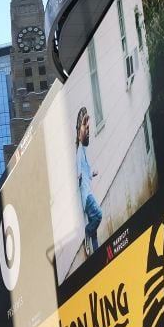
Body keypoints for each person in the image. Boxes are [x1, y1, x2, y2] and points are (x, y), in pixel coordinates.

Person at [76, 106, 103, 254]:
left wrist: (92, 173)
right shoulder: (80, 151)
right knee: (99, 215)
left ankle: (96, 252)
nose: (87, 132)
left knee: (95, 230)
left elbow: (85, 172)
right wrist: (79, 174)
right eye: (85, 131)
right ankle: (87, 231)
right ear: (79, 135)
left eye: (88, 130)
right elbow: (79, 169)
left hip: (88, 191)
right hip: (86, 196)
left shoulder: (85, 150)